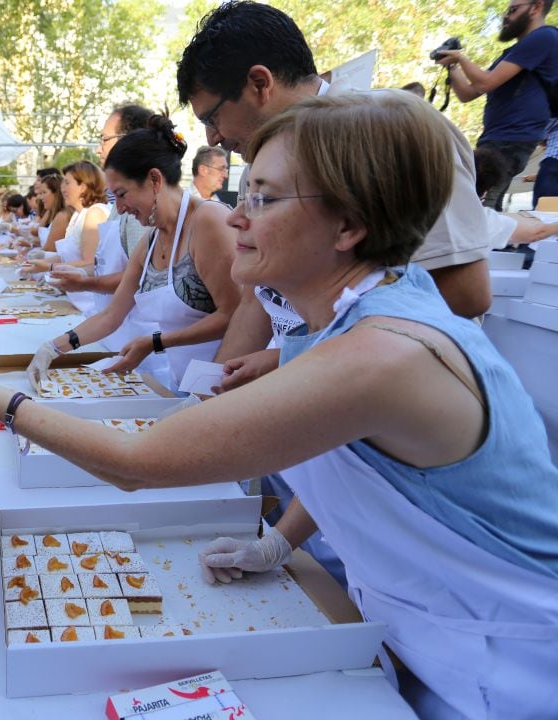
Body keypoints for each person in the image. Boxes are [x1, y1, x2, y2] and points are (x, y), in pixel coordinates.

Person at [0, 91, 558, 720]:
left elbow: (135, 462)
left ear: (351, 226)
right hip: (434, 635)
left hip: (513, 665)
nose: (237, 217)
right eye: (244, 193)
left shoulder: (381, 353)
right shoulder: (342, 320)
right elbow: (358, 461)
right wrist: (278, 542)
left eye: (265, 199)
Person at [178, 0, 506, 589]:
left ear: (258, 83)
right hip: (310, 435)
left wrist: (299, 363)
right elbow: (260, 300)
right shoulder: (281, 161)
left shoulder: (387, 131)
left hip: (396, 453)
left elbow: (464, 291)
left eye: (212, 117)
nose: (214, 139)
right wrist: (215, 396)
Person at [27, 116, 240, 388]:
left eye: (122, 194)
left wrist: (156, 342)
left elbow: (233, 314)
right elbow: (111, 315)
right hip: (182, 379)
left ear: (154, 179)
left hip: (221, 380)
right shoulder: (152, 238)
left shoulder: (208, 222)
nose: (121, 208)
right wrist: (53, 348)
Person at [435, 0, 558, 210]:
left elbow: (485, 82)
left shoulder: (544, 37)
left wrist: (460, 57)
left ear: (536, 7)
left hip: (512, 141)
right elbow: (468, 93)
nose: (505, 17)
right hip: (497, 140)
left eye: (512, 10)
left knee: (482, 209)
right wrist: (452, 65)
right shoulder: (514, 53)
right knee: (471, 205)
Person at [48, 105, 153, 317]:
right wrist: (76, 272)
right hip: (115, 322)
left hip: (135, 328)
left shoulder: (138, 206)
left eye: (104, 139)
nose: (99, 149)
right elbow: (103, 265)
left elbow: (142, 278)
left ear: (128, 140)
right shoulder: (120, 203)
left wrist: (86, 280)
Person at [25, 161, 108, 278]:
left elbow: (90, 263)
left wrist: (50, 266)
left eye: (67, 183)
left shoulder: (94, 214)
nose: (62, 189)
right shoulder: (78, 215)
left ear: (83, 187)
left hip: (89, 294)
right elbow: (67, 257)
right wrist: (38, 262)